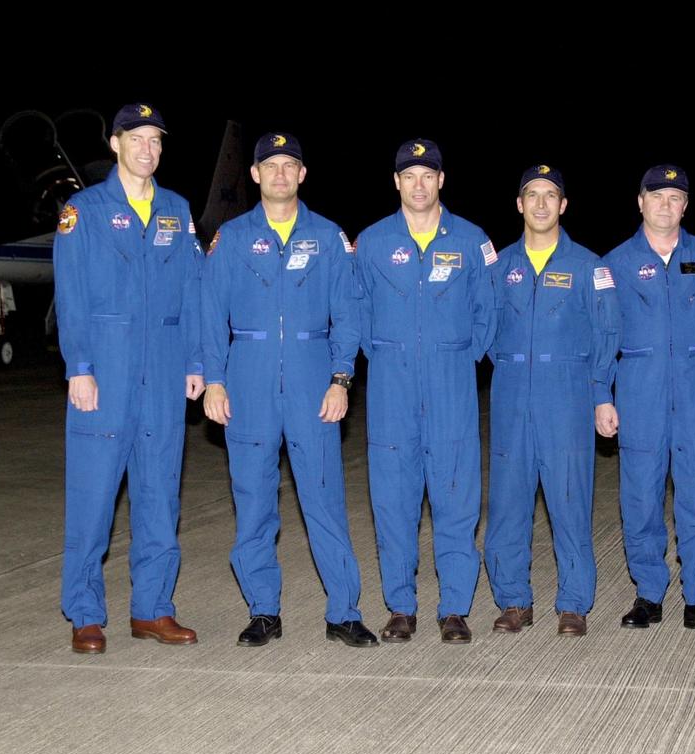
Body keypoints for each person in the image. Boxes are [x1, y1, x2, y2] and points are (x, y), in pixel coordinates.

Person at [201, 132, 376, 648]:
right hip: (248, 381)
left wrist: (341, 378)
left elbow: (347, 315)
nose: (280, 173)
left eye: (289, 165)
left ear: (303, 175)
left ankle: (343, 611)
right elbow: (211, 314)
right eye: (270, 165)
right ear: (254, 175)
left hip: (311, 381)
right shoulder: (231, 239)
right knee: (254, 500)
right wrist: (214, 379)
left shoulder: (326, 238)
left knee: (323, 501)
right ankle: (263, 611)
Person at [55, 103, 204, 654]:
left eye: (156, 140)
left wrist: (196, 363)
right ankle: (86, 613)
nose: (148, 149)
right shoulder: (84, 210)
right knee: (93, 498)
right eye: (137, 138)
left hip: (164, 373)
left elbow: (194, 290)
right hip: (105, 373)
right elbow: (70, 296)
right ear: (115, 144)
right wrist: (80, 368)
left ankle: (154, 609)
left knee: (159, 495)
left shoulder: (177, 209)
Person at [354, 139, 497, 644]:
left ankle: (454, 607)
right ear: (396, 182)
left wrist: (460, 356)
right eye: (409, 175)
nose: (419, 184)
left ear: (441, 180)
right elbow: (357, 311)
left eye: (428, 175)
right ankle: (400, 606)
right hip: (392, 387)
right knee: (394, 499)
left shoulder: (473, 239)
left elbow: (488, 310)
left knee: (456, 497)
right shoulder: (371, 242)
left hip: (451, 385)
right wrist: (386, 357)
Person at [602, 164, 695, 634]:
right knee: (640, 494)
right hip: (639, 388)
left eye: (676, 197)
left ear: (686, 205)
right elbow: (603, 335)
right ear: (639, 201)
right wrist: (601, 393)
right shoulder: (615, 263)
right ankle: (648, 592)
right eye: (657, 196)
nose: (666, 204)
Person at [483, 165, 620, 637]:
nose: (541, 204)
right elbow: (480, 328)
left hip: (567, 394)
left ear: (563, 205)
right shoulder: (499, 267)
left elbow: (607, 333)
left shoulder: (589, 266)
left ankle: (574, 603)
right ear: (519, 205)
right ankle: (514, 600)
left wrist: (601, 394)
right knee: (507, 502)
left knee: (569, 498)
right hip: (510, 392)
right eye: (532, 195)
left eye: (550, 196)